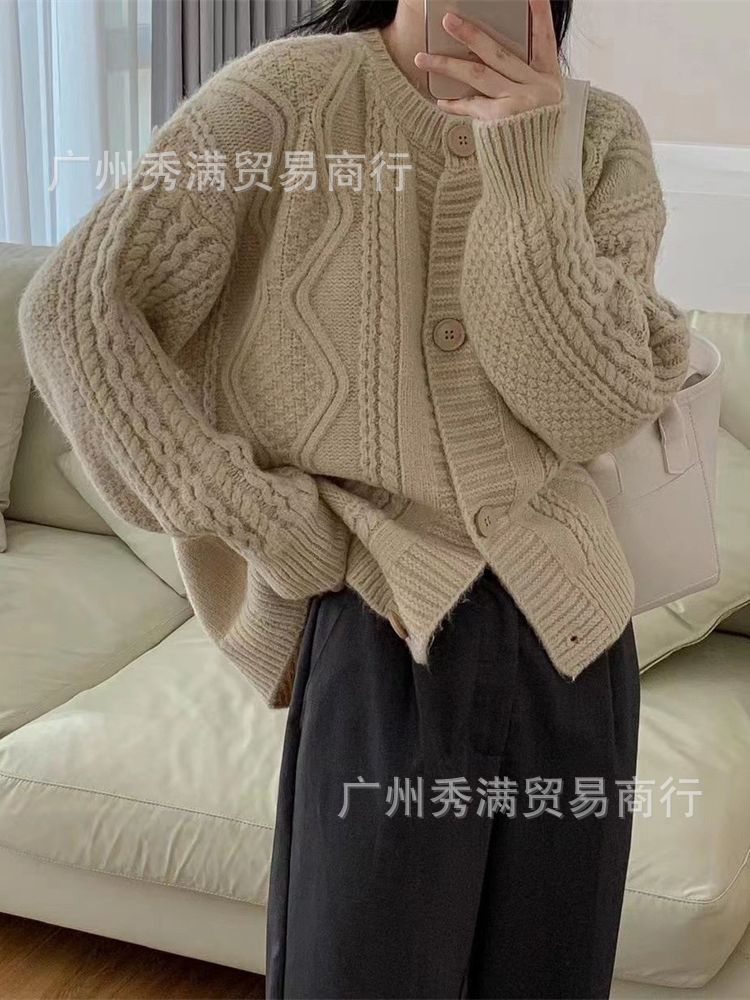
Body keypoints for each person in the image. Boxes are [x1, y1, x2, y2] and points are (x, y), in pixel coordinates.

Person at [17, 0, 691, 996]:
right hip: (380, 638)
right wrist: (264, 518)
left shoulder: (597, 138)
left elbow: (590, 407)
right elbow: (77, 310)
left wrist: (525, 168)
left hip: (575, 651)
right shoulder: (282, 100)